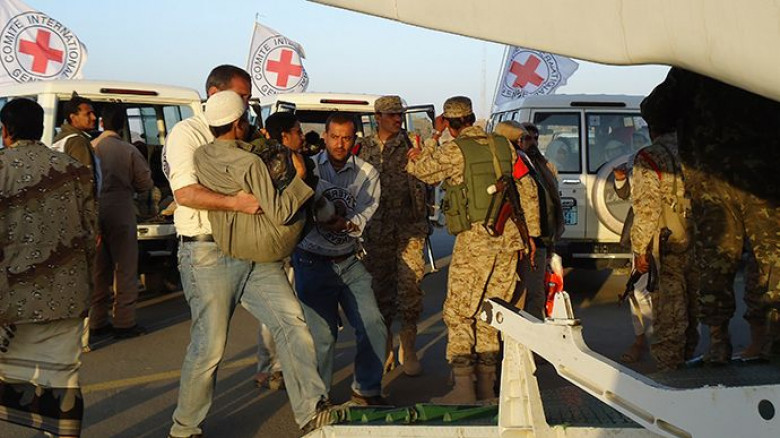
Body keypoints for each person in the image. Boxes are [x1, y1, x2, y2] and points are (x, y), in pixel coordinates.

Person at [163, 67, 331, 438]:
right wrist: (236, 203)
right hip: (208, 252)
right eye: (241, 96)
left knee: (292, 324)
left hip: (253, 249)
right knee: (209, 347)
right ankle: (184, 428)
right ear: (215, 93)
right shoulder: (186, 133)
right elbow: (185, 193)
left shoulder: (245, 135)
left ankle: (311, 411)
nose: (247, 105)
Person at [642, 67, 780, 365]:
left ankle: (719, 343)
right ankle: (771, 339)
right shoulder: (763, 56)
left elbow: (654, 110)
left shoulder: (696, 65)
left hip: (713, 181)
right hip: (763, 179)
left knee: (716, 260)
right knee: (771, 260)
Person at [406, 96, 540, 403]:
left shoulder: (455, 150)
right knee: (490, 312)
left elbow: (420, 170)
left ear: (450, 124)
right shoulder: (504, 146)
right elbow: (528, 189)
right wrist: (531, 236)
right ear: (471, 117)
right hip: (508, 241)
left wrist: (432, 138)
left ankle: (464, 388)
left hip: (476, 242)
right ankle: (487, 388)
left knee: (458, 313)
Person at [0, 98, 97, 437]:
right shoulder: (74, 169)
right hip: (67, 294)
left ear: (6, 131)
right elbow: (90, 234)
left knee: (10, 373)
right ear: (41, 128)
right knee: (62, 377)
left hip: (11, 301)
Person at [292, 112, 388, 406]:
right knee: (322, 336)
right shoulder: (307, 168)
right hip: (311, 261)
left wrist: (345, 224)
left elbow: (363, 216)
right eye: (334, 137)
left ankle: (366, 390)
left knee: (373, 324)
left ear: (354, 139)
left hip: (349, 261)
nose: (339, 144)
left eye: (346, 138)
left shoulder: (367, 174)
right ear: (325, 136)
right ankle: (317, 399)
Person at [356, 95, 428, 377]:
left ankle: (408, 345)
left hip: (409, 228)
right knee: (380, 290)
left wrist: (422, 159)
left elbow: (431, 177)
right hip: (376, 230)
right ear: (378, 117)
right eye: (391, 115)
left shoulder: (412, 144)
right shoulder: (363, 148)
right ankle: (384, 343)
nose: (398, 119)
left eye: (400, 114)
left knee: (410, 287)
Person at [629, 97, 699, 370]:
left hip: (668, 243)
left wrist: (640, 250)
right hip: (698, 239)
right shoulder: (694, 151)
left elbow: (647, 210)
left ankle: (671, 371)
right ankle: (689, 361)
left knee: (670, 310)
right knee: (692, 306)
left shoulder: (650, 157)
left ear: (651, 127)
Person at [89, 104, 154, 339]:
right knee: (125, 267)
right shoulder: (128, 150)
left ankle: (97, 321)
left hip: (95, 209)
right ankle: (124, 322)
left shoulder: (90, 147)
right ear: (122, 124)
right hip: (121, 207)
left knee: (99, 268)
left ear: (101, 123)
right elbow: (145, 183)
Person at [494, 120, 564, 319]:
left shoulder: (542, 166)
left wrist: (549, 239)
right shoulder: (513, 163)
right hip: (522, 239)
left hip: (539, 238)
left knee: (535, 292)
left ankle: (533, 330)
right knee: (520, 293)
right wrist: (531, 236)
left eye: (534, 138)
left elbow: (550, 203)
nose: (531, 143)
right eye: (526, 138)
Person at [612, 161, 653, 363]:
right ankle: (642, 340)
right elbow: (631, 195)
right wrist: (620, 179)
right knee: (638, 291)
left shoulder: (682, 158)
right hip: (645, 235)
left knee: (680, 291)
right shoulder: (641, 158)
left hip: (675, 234)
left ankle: (681, 346)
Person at [53, 93, 101, 193]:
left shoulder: (61, 139)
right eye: (88, 114)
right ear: (73, 117)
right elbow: (85, 182)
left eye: (93, 113)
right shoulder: (77, 142)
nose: (94, 117)